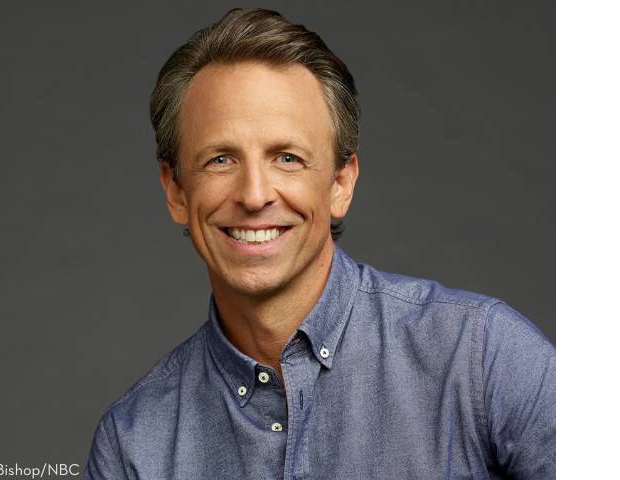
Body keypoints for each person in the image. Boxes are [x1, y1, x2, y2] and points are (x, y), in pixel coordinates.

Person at [85, 8, 555, 479]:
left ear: (340, 183)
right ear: (176, 191)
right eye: (221, 159)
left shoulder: (481, 357)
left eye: (287, 157)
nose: (254, 195)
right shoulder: (132, 444)